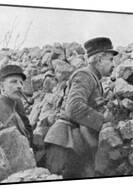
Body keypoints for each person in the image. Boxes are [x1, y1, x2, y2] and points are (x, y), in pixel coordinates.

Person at [44, 37, 118, 179]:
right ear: (100, 59)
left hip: (74, 144)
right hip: (65, 143)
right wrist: (103, 123)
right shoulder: (85, 75)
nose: (113, 64)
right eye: (110, 59)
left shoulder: (94, 78)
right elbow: (74, 107)